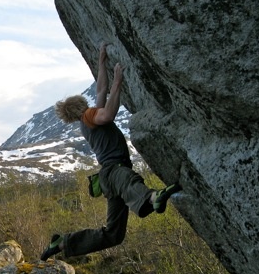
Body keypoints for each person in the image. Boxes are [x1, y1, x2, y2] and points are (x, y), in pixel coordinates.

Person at [41, 44, 181, 261]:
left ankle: (63, 243)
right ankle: (155, 197)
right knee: (131, 183)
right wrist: (118, 80)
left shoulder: (87, 121)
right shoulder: (89, 116)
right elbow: (107, 115)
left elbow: (100, 91)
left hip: (107, 178)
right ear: (80, 105)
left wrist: (101, 61)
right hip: (115, 171)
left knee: (113, 234)